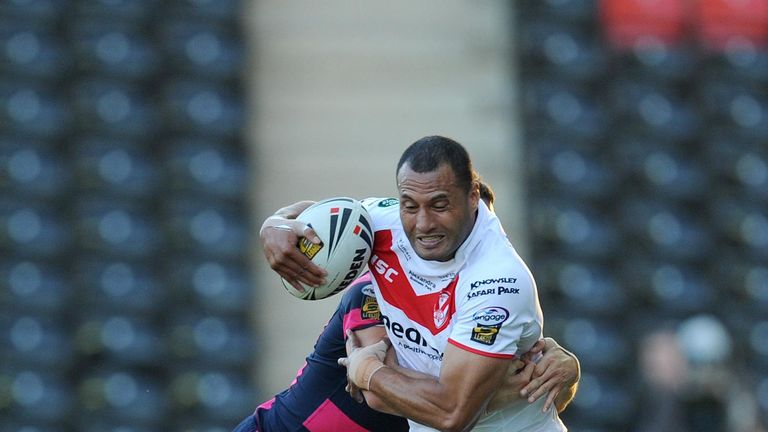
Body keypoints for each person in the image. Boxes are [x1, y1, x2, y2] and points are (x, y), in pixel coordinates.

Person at [260, 136, 577, 431]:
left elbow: (450, 412)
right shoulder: (383, 226)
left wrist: (366, 370)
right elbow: (314, 217)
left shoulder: (497, 282)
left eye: (440, 205)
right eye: (409, 205)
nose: (423, 224)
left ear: (472, 198)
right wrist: (274, 225)